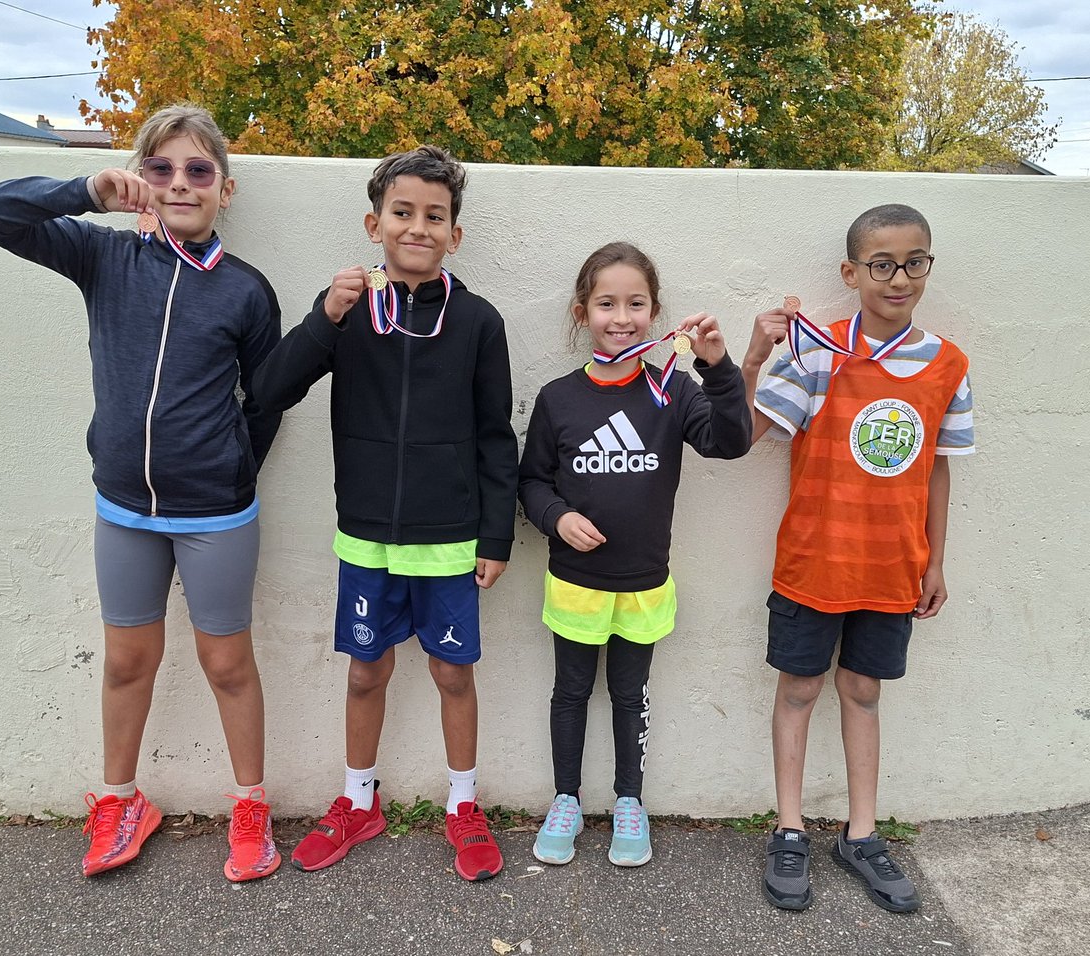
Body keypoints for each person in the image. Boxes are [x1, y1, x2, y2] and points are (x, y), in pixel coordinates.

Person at [0, 105, 283, 883]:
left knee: (227, 664)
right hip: (123, 509)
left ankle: (251, 807)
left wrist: (230, 465)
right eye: (164, 169)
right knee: (126, 662)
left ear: (225, 190)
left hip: (216, 514)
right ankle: (120, 799)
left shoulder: (247, 291)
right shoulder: (104, 257)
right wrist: (84, 189)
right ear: (143, 179)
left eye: (198, 171)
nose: (181, 184)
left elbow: (267, 400)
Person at [251, 145, 518, 882]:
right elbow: (269, 389)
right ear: (375, 223)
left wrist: (495, 532)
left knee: (451, 673)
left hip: (450, 541)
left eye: (436, 216)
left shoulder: (479, 323)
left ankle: (463, 804)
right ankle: (357, 800)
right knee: (366, 673)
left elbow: (498, 436)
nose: (419, 227)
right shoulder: (348, 311)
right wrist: (322, 317)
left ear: (455, 234)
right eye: (403, 213)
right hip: (366, 535)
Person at [743, 204, 974, 912]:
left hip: (891, 567)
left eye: (914, 262)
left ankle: (862, 833)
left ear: (928, 265)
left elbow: (937, 464)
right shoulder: (818, 350)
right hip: (815, 561)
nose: (898, 277)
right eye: (881, 264)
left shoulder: (947, 364)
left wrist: (934, 561)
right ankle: (788, 829)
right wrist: (754, 357)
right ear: (852, 273)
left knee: (864, 693)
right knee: (800, 690)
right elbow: (746, 430)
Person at [518, 242, 752, 867]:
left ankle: (629, 801)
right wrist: (557, 517)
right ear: (581, 312)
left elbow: (729, 443)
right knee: (570, 693)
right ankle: (565, 799)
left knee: (629, 696)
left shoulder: (674, 391)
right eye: (605, 304)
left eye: (636, 304)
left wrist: (720, 369)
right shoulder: (559, 398)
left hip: (644, 581)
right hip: (575, 581)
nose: (621, 317)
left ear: (654, 312)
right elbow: (531, 480)